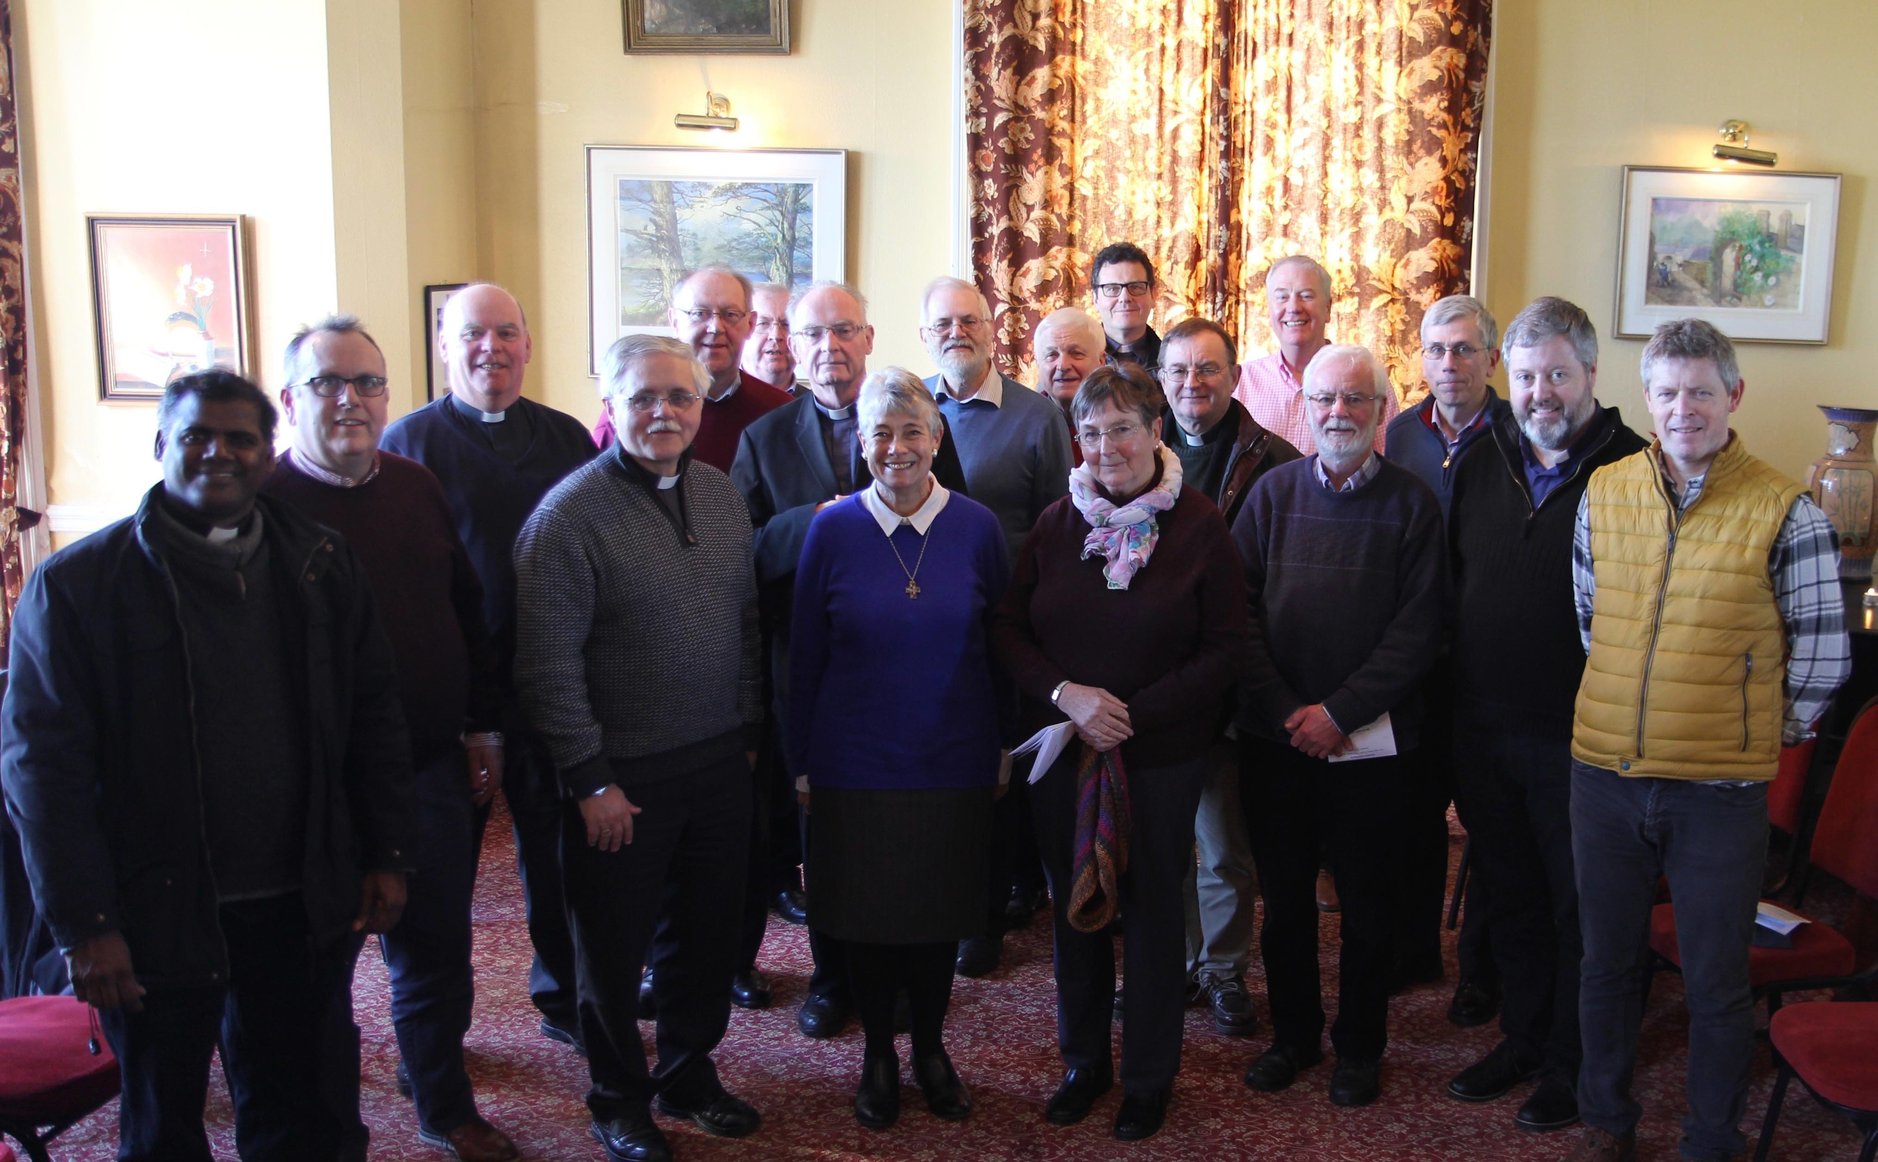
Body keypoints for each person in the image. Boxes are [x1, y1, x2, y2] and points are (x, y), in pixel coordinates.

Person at [2, 370, 413, 1162]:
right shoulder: (77, 587)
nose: (218, 453)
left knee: (301, 1116)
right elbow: (40, 776)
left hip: (300, 900)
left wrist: (386, 853)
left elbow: (374, 718)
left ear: (269, 455)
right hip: (152, 912)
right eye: (196, 435)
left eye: (241, 439)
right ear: (163, 446)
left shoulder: (321, 564)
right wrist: (86, 926)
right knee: (162, 1128)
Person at [1561, 319, 1849, 1162]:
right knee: (1606, 965)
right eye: (1666, 391)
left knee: (1718, 982)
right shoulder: (1605, 489)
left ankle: (1710, 1140)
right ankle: (1606, 1123)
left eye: (1700, 390)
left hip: (1719, 795)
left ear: (1734, 396)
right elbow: (1591, 624)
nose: (1682, 408)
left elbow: (1823, 655)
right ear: (1646, 397)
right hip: (1605, 777)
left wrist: (1750, 731)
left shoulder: (1784, 510)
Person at [265, 316, 518, 1162]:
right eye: (328, 383)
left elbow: (466, 610)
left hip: (429, 770)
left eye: (368, 383)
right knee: (319, 979)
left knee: (438, 953)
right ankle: (331, 1131)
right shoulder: (263, 506)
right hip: (314, 793)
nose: (350, 400)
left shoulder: (415, 484)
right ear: (289, 398)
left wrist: (482, 724)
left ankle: (444, 1107)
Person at [515, 335, 764, 1162]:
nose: (663, 412)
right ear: (611, 407)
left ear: (701, 406)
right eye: (644, 398)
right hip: (619, 782)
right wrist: (590, 782)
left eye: (680, 398)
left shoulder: (723, 496)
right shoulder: (566, 519)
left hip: (719, 764)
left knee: (704, 939)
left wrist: (750, 738)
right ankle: (618, 1098)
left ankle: (689, 1072)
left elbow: (746, 627)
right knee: (612, 955)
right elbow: (546, 667)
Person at [993, 363, 1246, 1142]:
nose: (1107, 447)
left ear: (1156, 431)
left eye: (1123, 429)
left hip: (1159, 758)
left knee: (1150, 914)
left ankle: (1145, 1077)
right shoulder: (1054, 524)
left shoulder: (1201, 527)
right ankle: (1084, 1064)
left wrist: (1126, 716)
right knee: (1076, 914)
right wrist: (1070, 697)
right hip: (1065, 754)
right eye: (1092, 432)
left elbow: (1225, 651)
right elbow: (1008, 630)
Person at [731, 281, 968, 1041]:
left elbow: (953, 527)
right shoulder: (765, 439)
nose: (829, 348)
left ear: (868, 338)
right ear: (792, 348)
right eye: (813, 336)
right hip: (816, 672)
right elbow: (747, 552)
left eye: (844, 331)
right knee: (825, 838)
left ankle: (903, 979)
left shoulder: (919, 420)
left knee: (904, 837)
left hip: (910, 670)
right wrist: (830, 521)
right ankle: (832, 979)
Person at [1443, 297, 1646, 1135]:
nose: (1540, 394)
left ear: (1591, 376)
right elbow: (1453, 589)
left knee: (1581, 914)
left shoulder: (1637, 470)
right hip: (1485, 732)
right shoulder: (1479, 457)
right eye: (1525, 377)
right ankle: (1524, 1038)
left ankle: (1576, 1064)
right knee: (1513, 896)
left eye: (1557, 375)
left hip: (1584, 741)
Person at [788, 368, 1009, 1130]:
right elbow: (805, 652)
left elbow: (999, 647)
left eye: (912, 431)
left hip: (953, 756)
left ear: (938, 439)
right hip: (854, 763)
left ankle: (933, 1051)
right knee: (867, 918)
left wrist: (1001, 748)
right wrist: (801, 762)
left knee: (937, 915)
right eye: (879, 432)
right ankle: (880, 1052)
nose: (896, 448)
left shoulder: (979, 528)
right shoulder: (832, 527)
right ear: (860, 442)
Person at [381, 283, 594, 1052]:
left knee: (557, 858)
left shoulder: (570, 438)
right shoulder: (405, 448)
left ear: (529, 346)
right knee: (441, 880)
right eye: (474, 334)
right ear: (444, 345)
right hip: (450, 696)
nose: (491, 349)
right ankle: (435, 1036)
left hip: (547, 683)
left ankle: (565, 997)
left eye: (508, 333)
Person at [1231, 345, 1444, 1109]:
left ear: (1382, 411)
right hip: (1278, 742)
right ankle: (1293, 1038)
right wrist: (1292, 712)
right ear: (1306, 408)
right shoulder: (1271, 494)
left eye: (1356, 400)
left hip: (1374, 749)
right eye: (1325, 400)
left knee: (1368, 910)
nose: (1339, 414)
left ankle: (1360, 1047)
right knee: (1284, 906)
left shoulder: (1414, 505)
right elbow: (1238, 615)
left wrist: (1339, 714)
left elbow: (1418, 633)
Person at [920, 276, 1074, 976]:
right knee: (948, 774)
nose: (958, 332)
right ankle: (956, 906)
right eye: (944, 323)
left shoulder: (1037, 414)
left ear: (993, 328)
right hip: (929, 630)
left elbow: (1059, 529)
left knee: (1005, 771)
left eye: (970, 321)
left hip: (1010, 627)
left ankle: (997, 905)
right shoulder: (910, 408)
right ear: (927, 334)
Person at [1158, 316, 1301, 1038]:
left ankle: (1223, 971)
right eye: (1179, 371)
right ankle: (1174, 964)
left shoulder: (1272, 460)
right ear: (1161, 381)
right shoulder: (1136, 455)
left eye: (1208, 370)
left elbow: (1281, 582)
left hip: (1232, 683)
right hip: (1157, 687)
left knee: (1222, 845)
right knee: (1161, 842)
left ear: (1236, 377)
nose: (1193, 384)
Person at [1381, 294, 1511, 1012]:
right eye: (1436, 350)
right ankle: (1417, 951)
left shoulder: (1523, 433)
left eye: (1464, 349)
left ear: (1491, 358)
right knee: (1415, 815)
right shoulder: (1401, 433)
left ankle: (1482, 972)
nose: (1450, 363)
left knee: (1491, 824)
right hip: (1421, 661)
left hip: (1494, 662)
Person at [593, 266, 792, 472]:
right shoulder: (634, 412)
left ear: (750, 323)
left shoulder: (780, 411)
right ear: (675, 321)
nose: (716, 327)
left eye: (730, 314)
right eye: (699, 313)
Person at [1233, 255, 1394, 454]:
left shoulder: (1367, 380)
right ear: (1269, 310)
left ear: (1328, 308)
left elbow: (1388, 463)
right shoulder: (1241, 382)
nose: (1293, 308)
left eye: (1306, 296)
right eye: (1282, 297)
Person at [1090, 242, 1162, 370]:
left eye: (1136, 287)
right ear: (1095, 298)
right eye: (1112, 289)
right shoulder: (1076, 366)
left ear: (1153, 295)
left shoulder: (1172, 364)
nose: (1125, 298)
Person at [741, 281, 798, 391]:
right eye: (762, 323)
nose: (776, 335)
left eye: (786, 324)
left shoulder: (820, 406)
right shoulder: (703, 404)